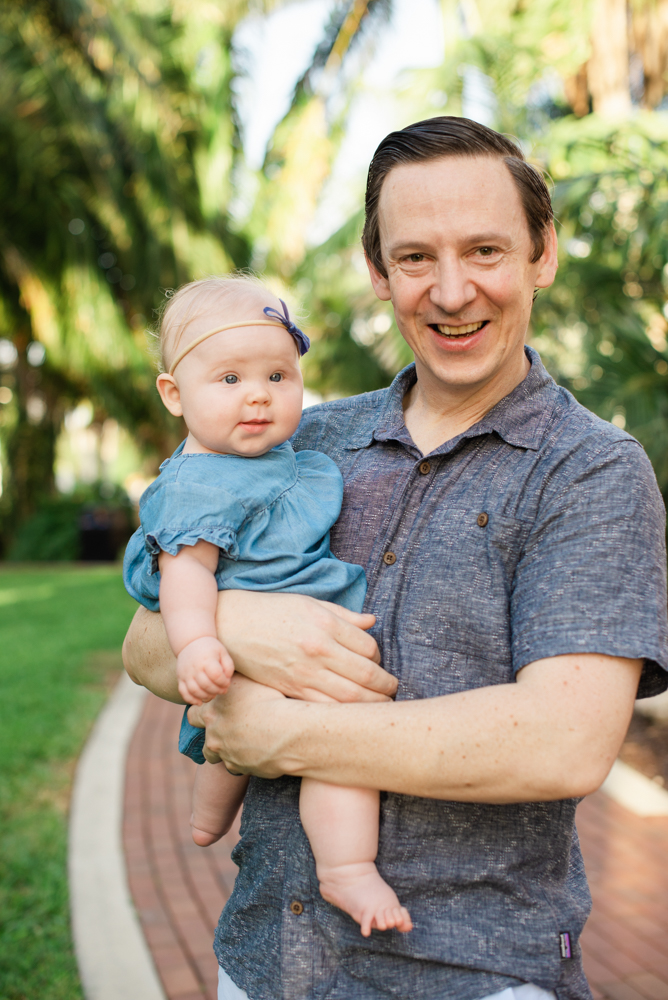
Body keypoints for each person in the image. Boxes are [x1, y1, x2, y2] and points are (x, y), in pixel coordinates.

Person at [123, 117, 668, 1000]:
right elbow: (144, 642)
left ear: (544, 253)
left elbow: (564, 743)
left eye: (486, 249)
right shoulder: (304, 440)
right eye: (415, 258)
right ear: (379, 272)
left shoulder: (591, 468)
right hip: (263, 964)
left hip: (473, 975)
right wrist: (244, 625)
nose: (452, 291)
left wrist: (287, 732)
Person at [123, 274, 412, 937]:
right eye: (228, 380)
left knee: (230, 738)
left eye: (278, 375)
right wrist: (198, 643)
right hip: (255, 656)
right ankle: (346, 865)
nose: (258, 394)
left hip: (292, 648)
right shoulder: (196, 487)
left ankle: (206, 821)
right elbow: (186, 577)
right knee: (340, 752)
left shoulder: (289, 455)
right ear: (174, 394)